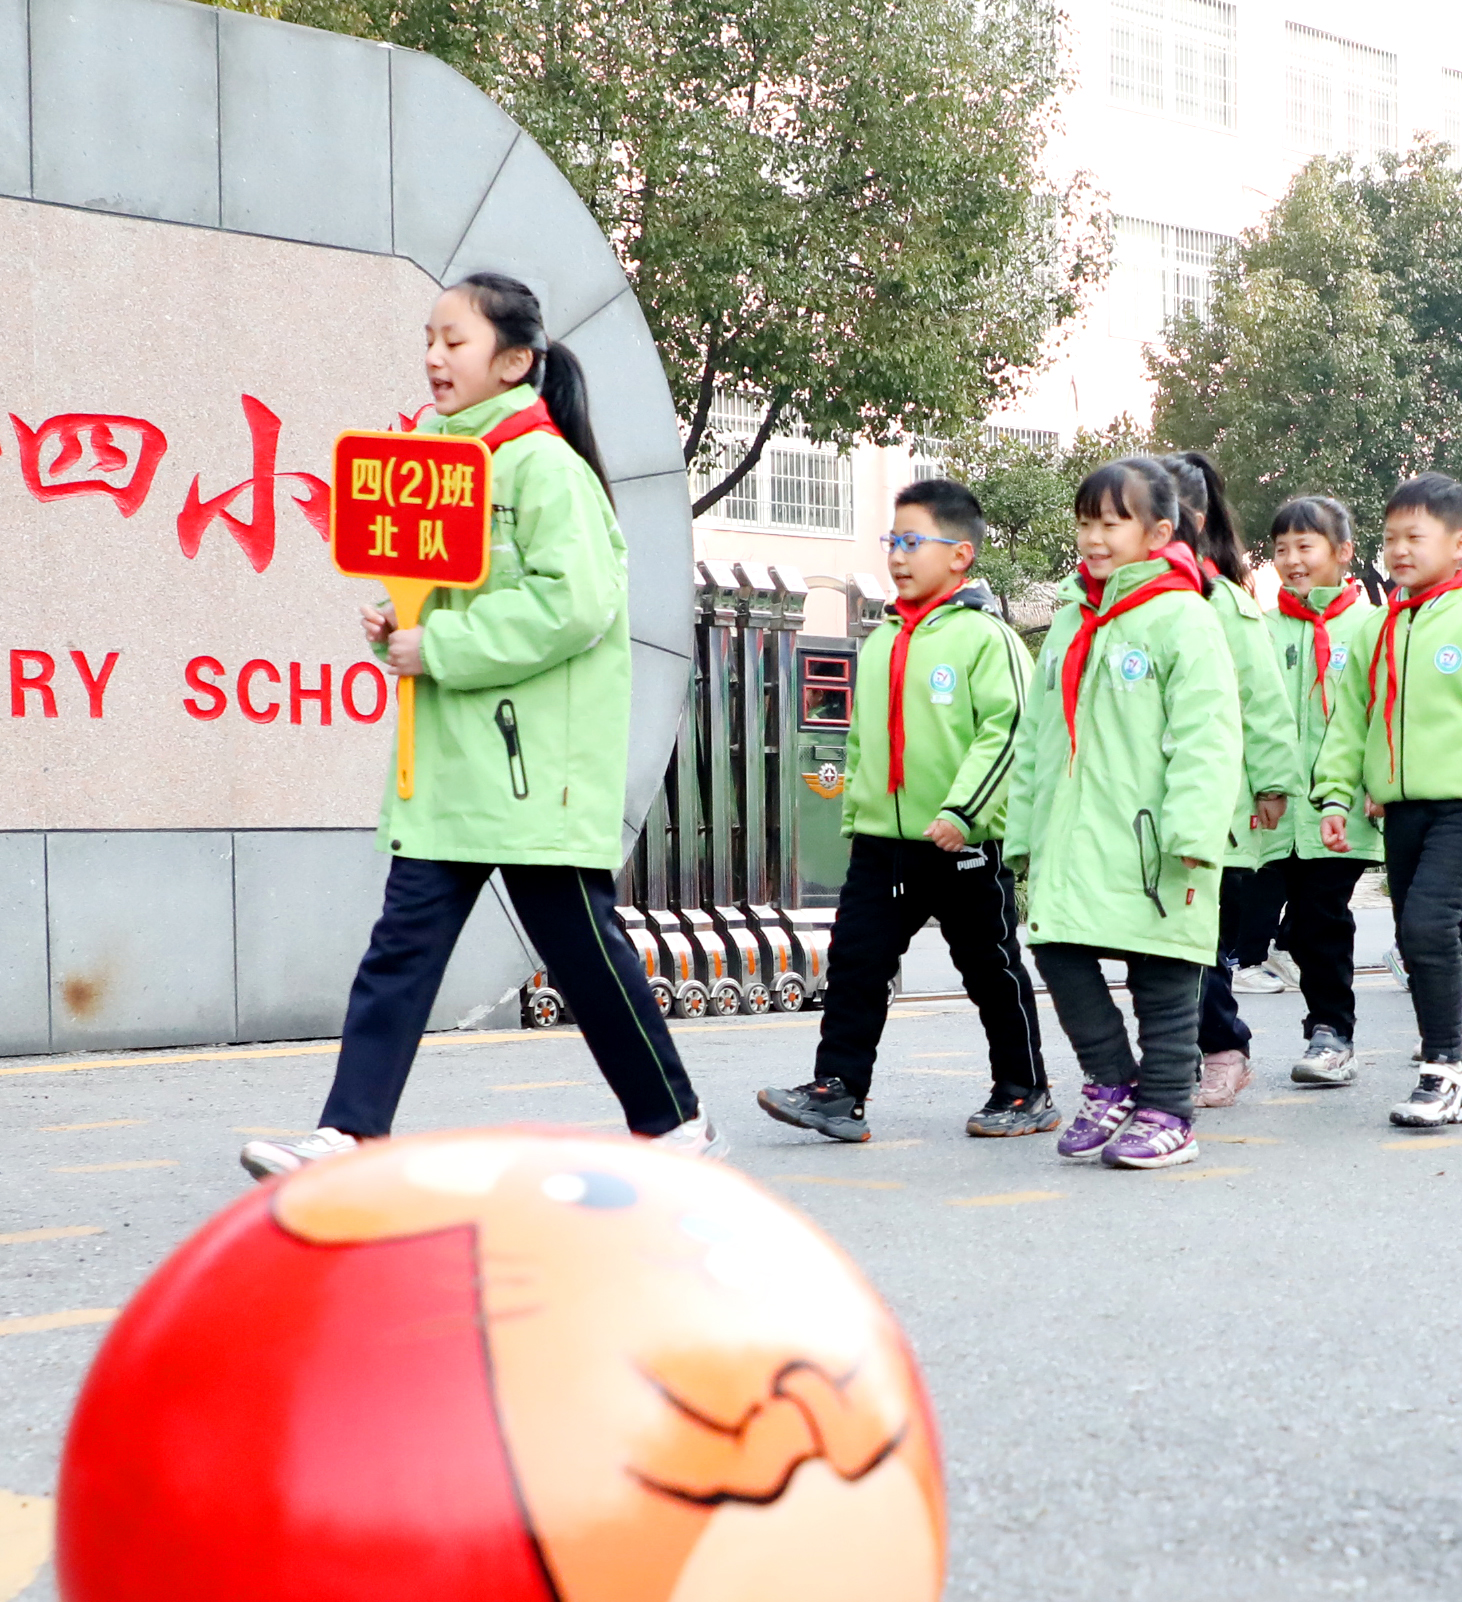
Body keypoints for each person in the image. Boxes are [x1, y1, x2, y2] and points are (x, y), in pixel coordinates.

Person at [242, 272, 719, 1179]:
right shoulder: (442, 465)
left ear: (514, 361)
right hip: (454, 766)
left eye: (453, 342)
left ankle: (675, 1123)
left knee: (584, 956)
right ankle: (347, 1134)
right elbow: (455, 595)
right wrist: (402, 618)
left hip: (535, 768)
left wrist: (444, 644)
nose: (433, 356)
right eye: (429, 337)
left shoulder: (547, 469)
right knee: (400, 955)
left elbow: (573, 606)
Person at [755, 480, 1052, 1143]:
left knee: (991, 970)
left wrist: (965, 811)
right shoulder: (885, 637)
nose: (898, 555)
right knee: (857, 963)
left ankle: (1024, 1089)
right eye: (894, 541)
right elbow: (863, 738)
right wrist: (859, 814)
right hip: (884, 842)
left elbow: (1008, 732)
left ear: (961, 554)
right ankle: (838, 1090)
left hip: (959, 842)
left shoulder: (986, 638)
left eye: (913, 542)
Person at [1005, 456, 1242, 1170]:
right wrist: (1023, 833)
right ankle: (1112, 1078)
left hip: (1158, 840)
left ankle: (1169, 1110)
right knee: (1057, 947)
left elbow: (1209, 732)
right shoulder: (1076, 615)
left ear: (1158, 530)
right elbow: (1036, 737)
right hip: (1074, 836)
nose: (1095, 537)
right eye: (1086, 522)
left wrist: (1196, 831)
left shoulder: (1183, 615)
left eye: (1113, 522)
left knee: (1166, 976)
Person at [1310, 472, 1462, 1128]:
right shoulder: (1378, 629)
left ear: (1461, 544)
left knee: (1427, 924)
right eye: (1390, 539)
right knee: (1417, 938)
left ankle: (1446, 1072)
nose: (1399, 550)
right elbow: (1348, 719)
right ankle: (1446, 1054)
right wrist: (1334, 796)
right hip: (1401, 809)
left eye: (1415, 536)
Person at [1166, 452, 1301, 1108]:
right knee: (1160, 943)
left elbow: (1264, 698)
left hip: (1220, 808)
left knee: (1200, 945)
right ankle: (1178, 1053)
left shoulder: (1221, 601)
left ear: (1186, 519)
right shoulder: (1123, 603)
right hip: (1149, 809)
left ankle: (1223, 1047)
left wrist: (1273, 782)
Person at [1267, 496, 1386, 1085]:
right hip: (1270, 810)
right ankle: (1209, 1042)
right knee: (1244, 924)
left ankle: (1331, 1033)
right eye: (1281, 549)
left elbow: (1386, 712)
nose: (1292, 560)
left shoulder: (1371, 627)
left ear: (1343, 554)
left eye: (1305, 547)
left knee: (1321, 920)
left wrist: (1378, 782)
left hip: (1342, 813)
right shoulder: (1261, 628)